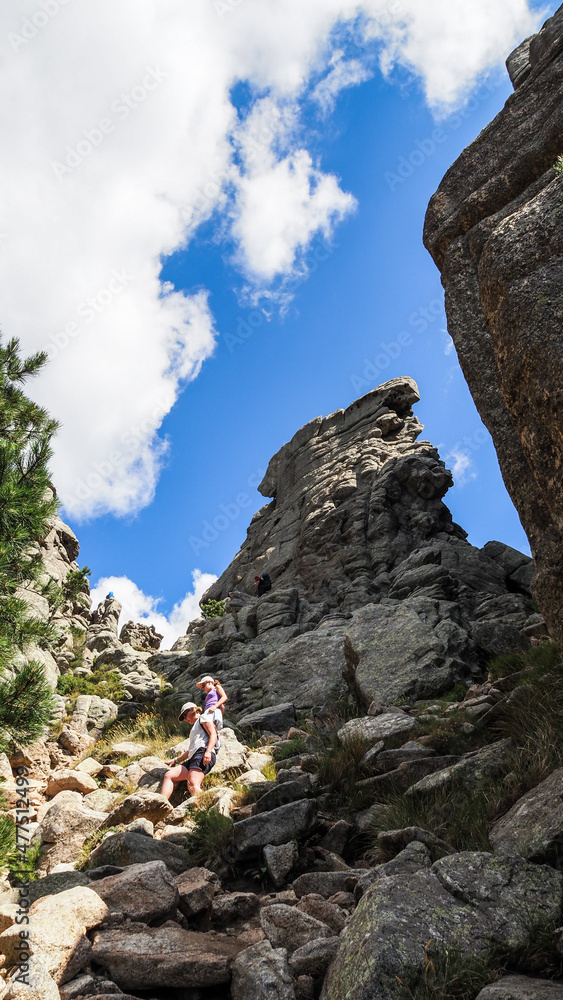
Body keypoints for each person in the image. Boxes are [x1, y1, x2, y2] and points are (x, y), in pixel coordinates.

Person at [161, 702, 221, 799]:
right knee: (169, 775)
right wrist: (176, 760)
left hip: (202, 753)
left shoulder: (203, 718)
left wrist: (208, 751)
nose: (185, 719)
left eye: (184, 715)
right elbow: (190, 751)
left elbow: (212, 734)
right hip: (195, 755)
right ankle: (160, 803)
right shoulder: (195, 727)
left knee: (193, 783)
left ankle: (206, 805)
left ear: (192, 710)